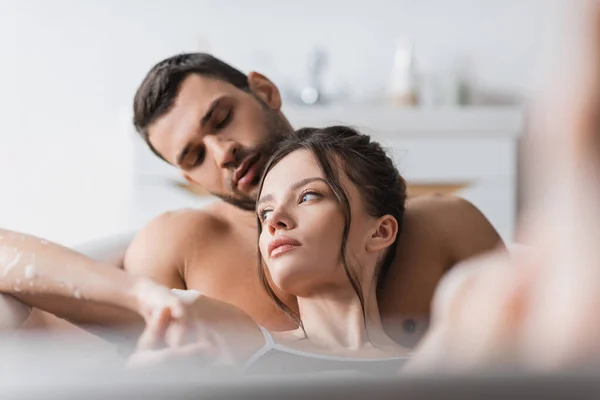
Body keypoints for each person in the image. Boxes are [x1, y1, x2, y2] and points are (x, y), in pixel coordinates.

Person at [3, 52, 502, 348]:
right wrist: (138, 296)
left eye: (221, 119)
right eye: (194, 155)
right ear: (186, 176)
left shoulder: (443, 227)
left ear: (263, 91)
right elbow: (55, 312)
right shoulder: (180, 246)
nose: (223, 153)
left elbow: (542, 343)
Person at [128, 125, 412, 375]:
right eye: (264, 213)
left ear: (380, 231)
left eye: (308, 196)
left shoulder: (439, 364)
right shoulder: (235, 342)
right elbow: (83, 283)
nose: (274, 221)